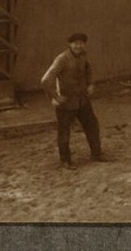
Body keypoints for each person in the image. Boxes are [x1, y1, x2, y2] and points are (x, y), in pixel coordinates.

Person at [41, 32, 104, 169]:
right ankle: (65, 161)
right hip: (66, 103)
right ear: (69, 44)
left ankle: (96, 154)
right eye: (75, 43)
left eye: (81, 43)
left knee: (92, 125)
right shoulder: (62, 59)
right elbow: (46, 80)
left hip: (82, 100)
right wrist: (55, 97)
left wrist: (90, 84)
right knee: (64, 132)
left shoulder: (83, 55)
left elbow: (88, 69)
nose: (78, 46)